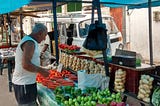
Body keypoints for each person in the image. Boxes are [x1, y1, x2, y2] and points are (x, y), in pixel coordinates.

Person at [12, 23, 50, 106]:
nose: (44, 39)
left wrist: (41, 69)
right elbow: (26, 64)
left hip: (27, 83)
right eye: (44, 35)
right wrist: (41, 71)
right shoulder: (29, 43)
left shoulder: (30, 41)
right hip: (24, 84)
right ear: (39, 33)